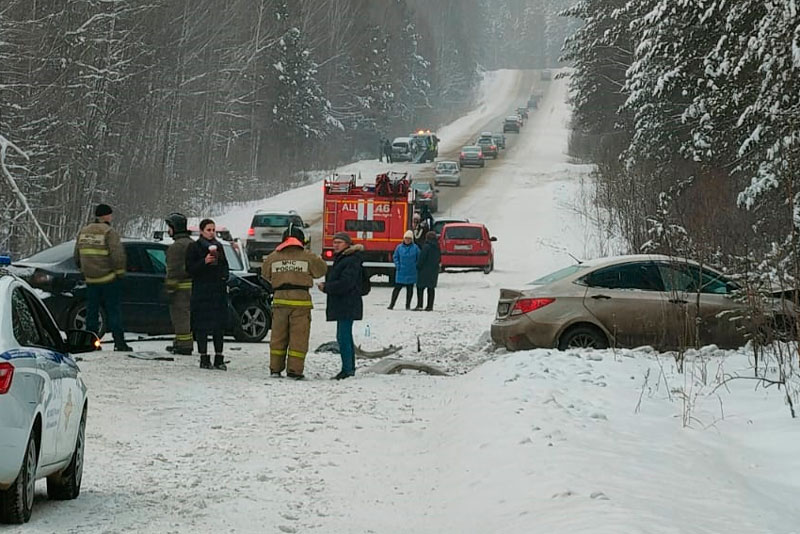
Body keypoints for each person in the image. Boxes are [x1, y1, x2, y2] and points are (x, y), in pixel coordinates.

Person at [261, 224, 327, 379]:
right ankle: (294, 371)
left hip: (279, 302)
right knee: (299, 339)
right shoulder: (308, 256)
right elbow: (321, 270)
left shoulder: (273, 257)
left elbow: (265, 274)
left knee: (278, 337)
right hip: (301, 303)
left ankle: (275, 369)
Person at [73, 203, 131, 351]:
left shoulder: (83, 231)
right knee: (113, 311)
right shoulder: (109, 232)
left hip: (91, 280)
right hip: (108, 279)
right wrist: (120, 273)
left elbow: (77, 256)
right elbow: (117, 255)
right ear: (106, 216)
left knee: (92, 312)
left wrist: (83, 270)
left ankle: (91, 342)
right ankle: (119, 342)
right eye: (110, 215)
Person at [318, 232, 364, 380]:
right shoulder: (343, 258)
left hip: (347, 303)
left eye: (339, 242)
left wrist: (327, 287)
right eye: (334, 242)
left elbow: (346, 283)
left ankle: (347, 369)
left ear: (347, 244)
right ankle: (349, 367)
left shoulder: (350, 260)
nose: (335, 245)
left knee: (343, 337)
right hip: (344, 303)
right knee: (344, 336)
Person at [186, 218, 230, 370]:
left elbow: (225, 266)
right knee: (202, 326)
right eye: (208, 230)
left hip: (217, 291)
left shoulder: (219, 246)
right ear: (201, 231)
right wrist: (204, 262)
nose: (211, 233)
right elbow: (189, 269)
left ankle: (219, 357)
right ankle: (204, 357)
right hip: (202, 291)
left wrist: (224, 276)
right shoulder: (194, 247)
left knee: (219, 326)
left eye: (213, 230)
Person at [164, 212, 193, 355]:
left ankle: (184, 345)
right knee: (186, 317)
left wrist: (169, 290)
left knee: (180, 317)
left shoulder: (176, 247)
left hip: (180, 290)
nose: (168, 230)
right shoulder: (191, 243)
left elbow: (173, 271)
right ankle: (181, 342)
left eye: (169, 227)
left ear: (175, 227)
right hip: (192, 287)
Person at [388, 230, 419, 310]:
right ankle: (392, 304)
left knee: (410, 289)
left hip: (411, 272)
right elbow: (395, 257)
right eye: (406, 238)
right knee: (397, 288)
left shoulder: (415, 248)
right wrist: (398, 265)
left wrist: (415, 266)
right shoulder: (399, 247)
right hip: (401, 271)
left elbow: (419, 258)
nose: (407, 240)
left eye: (409, 239)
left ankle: (407, 305)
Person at [415, 231, 441, 311]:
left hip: (424, 270)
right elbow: (439, 259)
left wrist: (418, 266)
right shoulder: (437, 247)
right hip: (433, 271)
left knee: (420, 288)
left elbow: (422, 258)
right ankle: (430, 306)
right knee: (431, 289)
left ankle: (420, 305)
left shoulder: (426, 247)